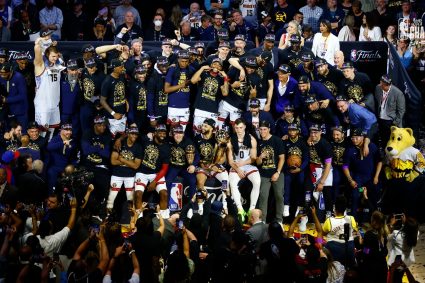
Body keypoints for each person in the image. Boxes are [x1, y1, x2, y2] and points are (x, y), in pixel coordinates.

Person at [343, 128, 382, 221]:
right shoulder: (349, 149)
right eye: (352, 138)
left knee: (372, 195)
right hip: (357, 179)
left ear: (362, 137)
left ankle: (376, 220)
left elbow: (380, 162)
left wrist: (376, 176)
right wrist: (350, 180)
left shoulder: (372, 147)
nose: (354, 140)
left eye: (356, 138)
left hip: (371, 178)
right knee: (355, 195)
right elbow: (345, 167)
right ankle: (353, 221)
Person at [227, 118, 261, 221]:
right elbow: (230, 160)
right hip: (235, 165)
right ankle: (240, 209)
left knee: (257, 181)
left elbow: (254, 158)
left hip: (248, 164)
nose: (239, 130)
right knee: (232, 183)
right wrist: (238, 169)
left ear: (245, 127)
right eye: (236, 127)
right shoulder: (230, 140)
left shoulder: (251, 139)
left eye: (241, 127)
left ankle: (251, 209)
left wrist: (243, 163)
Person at [134, 124, 170, 218]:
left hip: (156, 174)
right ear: (155, 133)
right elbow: (134, 135)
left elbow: (165, 168)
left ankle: (163, 219)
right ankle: (139, 219)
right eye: (160, 132)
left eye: (164, 133)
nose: (162, 135)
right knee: (138, 194)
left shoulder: (166, 148)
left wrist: (155, 182)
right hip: (141, 172)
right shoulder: (146, 140)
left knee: (164, 194)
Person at [33, 34, 65, 140]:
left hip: (54, 104)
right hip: (43, 105)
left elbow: (58, 57)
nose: (55, 59)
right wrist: (41, 41)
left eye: (56, 56)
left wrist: (51, 44)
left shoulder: (58, 64)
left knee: (52, 131)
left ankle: (49, 151)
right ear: (47, 55)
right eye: (53, 56)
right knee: (41, 133)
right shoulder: (40, 65)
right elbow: (37, 49)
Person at [106, 125, 142, 211]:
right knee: (111, 198)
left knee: (130, 199)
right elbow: (113, 161)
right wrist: (130, 162)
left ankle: (131, 219)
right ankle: (107, 217)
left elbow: (136, 166)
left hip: (130, 176)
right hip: (117, 174)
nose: (134, 136)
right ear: (128, 134)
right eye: (132, 134)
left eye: (136, 134)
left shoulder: (138, 147)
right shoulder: (119, 143)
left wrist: (122, 159)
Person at [256, 120, 285, 223]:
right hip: (264, 174)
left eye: (264, 129)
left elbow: (282, 158)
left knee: (279, 196)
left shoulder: (277, 140)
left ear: (269, 129)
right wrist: (260, 157)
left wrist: (277, 172)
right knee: (263, 197)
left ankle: (279, 221)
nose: (262, 131)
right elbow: (258, 162)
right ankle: (262, 221)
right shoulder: (259, 142)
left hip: (277, 172)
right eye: (261, 129)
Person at [191, 57, 229, 134]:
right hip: (200, 108)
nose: (216, 66)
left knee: (210, 133)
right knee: (197, 132)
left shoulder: (221, 79)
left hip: (212, 110)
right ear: (210, 65)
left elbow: (225, 93)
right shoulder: (204, 74)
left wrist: (225, 78)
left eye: (219, 65)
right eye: (214, 64)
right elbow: (193, 81)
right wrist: (202, 68)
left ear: (221, 68)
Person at [80, 115, 112, 204]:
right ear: (95, 125)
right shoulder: (88, 133)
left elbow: (106, 154)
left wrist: (93, 148)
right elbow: (86, 151)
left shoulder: (107, 135)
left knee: (103, 186)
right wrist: (99, 147)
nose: (103, 127)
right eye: (101, 125)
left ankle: (100, 208)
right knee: (84, 186)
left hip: (101, 166)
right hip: (87, 165)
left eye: (104, 125)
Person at [164, 50, 194, 132]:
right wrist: (182, 85)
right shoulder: (172, 69)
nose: (184, 63)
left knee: (182, 132)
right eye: (182, 61)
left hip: (185, 106)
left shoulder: (191, 70)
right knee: (173, 131)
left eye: (186, 61)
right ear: (178, 60)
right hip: (173, 105)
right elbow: (166, 89)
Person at [282, 123, 308, 217]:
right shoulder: (285, 142)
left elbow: (306, 159)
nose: (292, 132)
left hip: (299, 169)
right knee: (287, 184)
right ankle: (286, 205)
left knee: (300, 184)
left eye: (294, 130)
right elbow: (283, 158)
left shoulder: (302, 142)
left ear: (297, 131)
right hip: (288, 169)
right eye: (290, 130)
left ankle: (299, 206)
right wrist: (287, 167)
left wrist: (300, 169)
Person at [374, 75, 406, 146]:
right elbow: (377, 102)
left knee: (391, 140)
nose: (381, 85)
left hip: (391, 120)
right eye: (381, 83)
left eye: (383, 84)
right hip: (380, 118)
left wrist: (395, 122)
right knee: (383, 138)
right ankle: (384, 153)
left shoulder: (398, 93)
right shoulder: (378, 88)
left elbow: (401, 110)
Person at [358, 210, 389, 283]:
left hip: (372, 269)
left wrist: (361, 244)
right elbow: (384, 251)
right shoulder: (384, 233)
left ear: (374, 220)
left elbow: (366, 252)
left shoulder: (369, 235)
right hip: (383, 267)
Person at [100, 58, 127, 137]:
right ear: (115, 68)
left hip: (123, 113)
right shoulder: (107, 81)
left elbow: (122, 91)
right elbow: (102, 100)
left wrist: (126, 101)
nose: (123, 68)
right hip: (112, 117)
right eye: (121, 67)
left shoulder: (122, 77)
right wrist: (113, 113)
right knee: (113, 138)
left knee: (122, 136)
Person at [46, 123, 77, 191]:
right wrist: (62, 143)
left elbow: (74, 157)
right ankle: (51, 195)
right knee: (51, 174)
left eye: (70, 130)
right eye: (66, 130)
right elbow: (49, 147)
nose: (69, 132)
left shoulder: (73, 142)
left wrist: (74, 166)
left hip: (65, 167)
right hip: (54, 166)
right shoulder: (56, 138)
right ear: (61, 130)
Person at [0, 62, 28, 131]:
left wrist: (6, 100)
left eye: (4, 73)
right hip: (7, 111)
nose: (2, 76)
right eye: (1, 73)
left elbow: (23, 96)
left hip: (20, 111)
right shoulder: (0, 77)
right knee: (8, 134)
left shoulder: (19, 77)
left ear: (10, 71)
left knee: (22, 133)